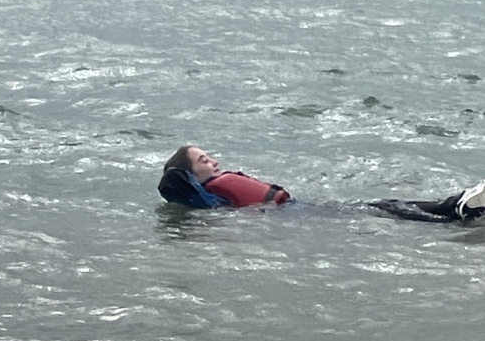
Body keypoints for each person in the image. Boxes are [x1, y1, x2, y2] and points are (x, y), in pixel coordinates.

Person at [157, 146, 485, 223]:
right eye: (203, 160)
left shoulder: (216, 193)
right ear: (191, 174)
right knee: (382, 209)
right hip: (301, 218)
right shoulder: (211, 200)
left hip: (299, 210)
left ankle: (455, 207)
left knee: (382, 205)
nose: (213, 161)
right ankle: (455, 213)